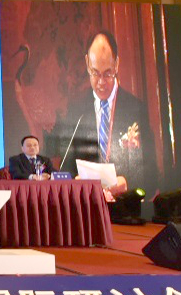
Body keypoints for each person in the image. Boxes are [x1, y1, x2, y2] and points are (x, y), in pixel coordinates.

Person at [47, 30, 154, 194]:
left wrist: (127, 183)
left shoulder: (135, 109)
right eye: (95, 73)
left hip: (124, 203)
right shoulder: (76, 110)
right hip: (88, 204)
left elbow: (152, 171)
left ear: (116, 64)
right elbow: (66, 167)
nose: (101, 82)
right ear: (87, 63)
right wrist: (75, 181)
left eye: (108, 73)